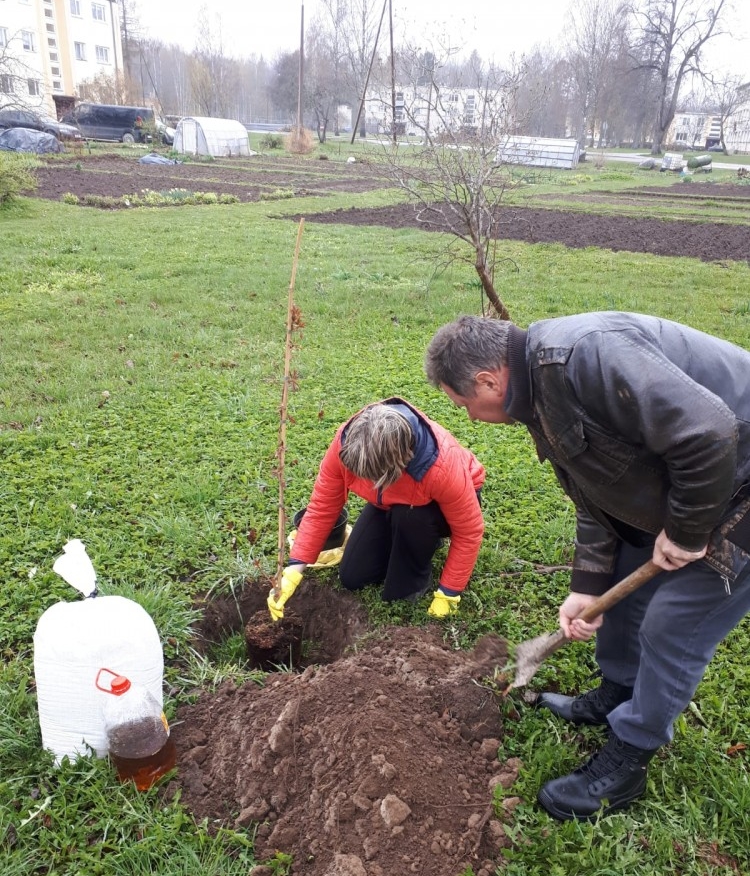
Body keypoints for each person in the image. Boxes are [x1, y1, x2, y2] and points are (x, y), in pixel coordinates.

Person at [425, 311, 750, 821]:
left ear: (489, 381)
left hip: (738, 481)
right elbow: (597, 490)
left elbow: (710, 432)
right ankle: (617, 691)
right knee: (623, 573)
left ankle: (629, 756)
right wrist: (588, 584)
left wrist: (687, 533)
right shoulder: (540, 390)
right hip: (698, 476)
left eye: (465, 404)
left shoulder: (582, 357)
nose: (468, 417)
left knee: (674, 623)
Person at [267, 397, 485, 621]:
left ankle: (419, 565)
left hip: (433, 509)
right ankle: (405, 532)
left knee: (400, 583)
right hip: (389, 503)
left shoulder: (440, 466)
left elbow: (469, 531)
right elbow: (323, 507)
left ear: (395, 465)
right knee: (353, 577)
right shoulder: (348, 443)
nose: (365, 483)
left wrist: (449, 593)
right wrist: (294, 569)